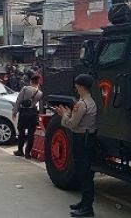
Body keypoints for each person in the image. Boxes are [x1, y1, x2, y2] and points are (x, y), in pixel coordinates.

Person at [54, 74, 97, 217]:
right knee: (85, 173)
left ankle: (87, 208)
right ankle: (84, 203)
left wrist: (64, 114)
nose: (76, 88)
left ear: (80, 86)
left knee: (83, 174)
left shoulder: (81, 104)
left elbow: (72, 124)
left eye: (77, 86)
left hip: (81, 139)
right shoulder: (90, 101)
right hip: (88, 138)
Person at [12, 74, 43, 159]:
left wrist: (15, 111)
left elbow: (19, 100)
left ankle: (20, 150)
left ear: (30, 81)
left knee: (21, 131)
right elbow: (41, 106)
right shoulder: (40, 93)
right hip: (33, 113)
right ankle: (27, 153)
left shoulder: (25, 89)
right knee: (31, 134)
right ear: (38, 82)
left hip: (24, 112)